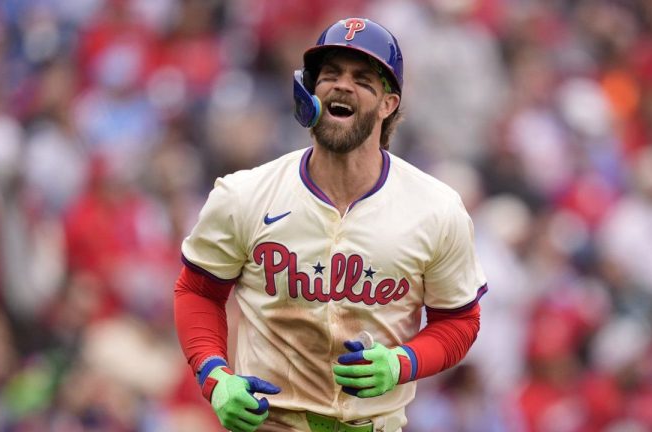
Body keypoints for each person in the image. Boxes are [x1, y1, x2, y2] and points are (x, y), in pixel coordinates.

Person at [173, 17, 487, 432]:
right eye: (330, 74)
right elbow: (197, 291)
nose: (342, 85)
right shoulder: (245, 194)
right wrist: (214, 376)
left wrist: (402, 362)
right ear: (310, 90)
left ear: (388, 103)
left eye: (362, 79)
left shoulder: (436, 208)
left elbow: (459, 320)